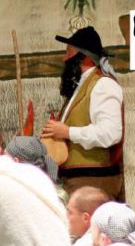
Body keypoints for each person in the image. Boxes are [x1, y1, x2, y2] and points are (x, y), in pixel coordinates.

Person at [41, 26, 125, 202]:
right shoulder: (81, 88)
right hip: (78, 182)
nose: (64, 58)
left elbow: (110, 133)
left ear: (83, 56)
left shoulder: (103, 86)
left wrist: (68, 132)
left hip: (94, 182)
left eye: (68, 53)